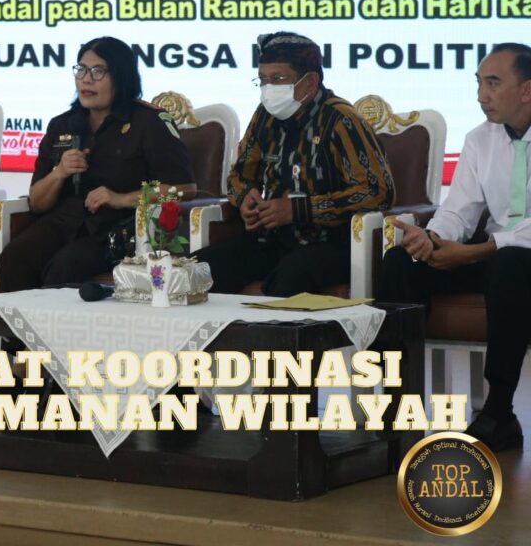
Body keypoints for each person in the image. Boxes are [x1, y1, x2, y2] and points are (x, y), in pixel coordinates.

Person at [379, 43, 531, 452]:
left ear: (527, 90)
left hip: (516, 260)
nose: (481, 95)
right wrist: (432, 240)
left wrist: (480, 251)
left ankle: (498, 412)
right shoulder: (480, 139)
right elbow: (459, 210)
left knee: (509, 264)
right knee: (400, 263)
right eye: (478, 83)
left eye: (493, 83)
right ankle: (398, 400)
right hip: (495, 256)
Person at [193, 32, 394, 295]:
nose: (268, 88)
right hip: (274, 239)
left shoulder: (340, 119)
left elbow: (378, 192)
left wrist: (300, 210)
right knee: (199, 269)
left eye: (278, 79)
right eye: (263, 79)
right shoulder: (265, 116)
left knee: (291, 274)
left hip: (334, 243)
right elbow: (239, 176)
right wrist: (245, 198)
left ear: (310, 82)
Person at [0, 36, 196, 292]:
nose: (86, 79)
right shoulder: (63, 124)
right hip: (64, 222)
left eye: (98, 71)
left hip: (118, 229)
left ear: (121, 77)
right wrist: (59, 173)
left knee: (63, 268)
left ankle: (56, 321)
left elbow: (185, 188)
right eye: (81, 70)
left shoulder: (149, 122)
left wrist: (121, 198)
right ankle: (18, 321)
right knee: (13, 259)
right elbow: (36, 202)